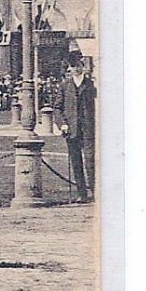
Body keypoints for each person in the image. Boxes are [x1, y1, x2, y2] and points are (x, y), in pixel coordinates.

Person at [55, 57, 96, 203]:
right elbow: (57, 108)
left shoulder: (91, 85)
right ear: (69, 69)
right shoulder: (65, 86)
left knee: (91, 160)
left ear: (83, 66)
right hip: (72, 130)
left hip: (89, 129)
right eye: (73, 66)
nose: (76, 68)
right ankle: (82, 193)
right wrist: (62, 124)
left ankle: (95, 191)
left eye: (78, 65)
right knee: (76, 162)